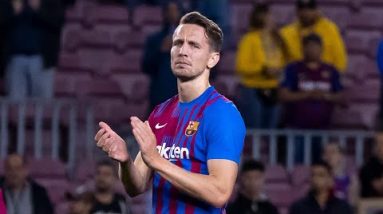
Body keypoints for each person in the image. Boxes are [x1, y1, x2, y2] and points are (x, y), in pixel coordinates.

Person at [95, 11, 246, 213]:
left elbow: (219, 193)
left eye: (194, 45)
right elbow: (136, 186)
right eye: (178, 43)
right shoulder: (160, 112)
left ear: (212, 59)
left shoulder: (222, 114)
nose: (183, 51)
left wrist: (157, 161)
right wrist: (125, 160)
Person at [280, 33, 342, 163]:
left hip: (323, 130)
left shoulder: (331, 70)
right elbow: (283, 95)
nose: (312, 50)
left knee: (322, 167)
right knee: (296, 166)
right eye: (309, 46)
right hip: (297, 129)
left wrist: (324, 95)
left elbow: (342, 97)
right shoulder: (293, 69)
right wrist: (307, 94)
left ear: (321, 48)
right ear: (303, 48)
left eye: (315, 46)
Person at [0, 0, 64, 100]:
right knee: (15, 105)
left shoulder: (50, 2)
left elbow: (57, 22)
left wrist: (39, 8)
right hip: (14, 60)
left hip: (42, 60)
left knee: (43, 105)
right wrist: (12, 11)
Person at [236, 3, 286, 129]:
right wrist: (263, 70)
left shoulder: (277, 39)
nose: (272, 18)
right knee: (255, 129)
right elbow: (242, 66)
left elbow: (284, 60)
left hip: (273, 88)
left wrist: (279, 70)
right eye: (269, 15)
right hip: (253, 88)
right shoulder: (249, 39)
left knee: (272, 131)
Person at [281, 0, 347, 72]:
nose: (306, 13)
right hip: (296, 78)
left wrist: (334, 77)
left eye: (310, 9)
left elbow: (340, 60)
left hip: (325, 78)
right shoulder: (286, 33)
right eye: (302, 9)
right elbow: (281, 62)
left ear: (317, 10)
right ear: (297, 11)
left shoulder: (330, 29)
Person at [142, 1, 181, 111]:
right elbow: (145, 67)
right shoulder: (155, 39)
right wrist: (161, 50)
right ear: (164, 14)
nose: (172, 15)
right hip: (160, 96)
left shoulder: (189, 41)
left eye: (175, 11)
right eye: (169, 11)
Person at [359, 132, 383, 198]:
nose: (380, 146)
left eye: (382, 143)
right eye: (377, 143)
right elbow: (379, 187)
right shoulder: (367, 167)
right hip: (372, 205)